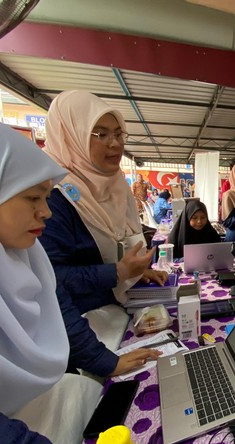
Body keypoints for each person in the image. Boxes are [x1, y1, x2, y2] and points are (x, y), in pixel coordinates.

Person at [0, 117, 178, 444]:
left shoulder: (22, 252)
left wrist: (104, 361)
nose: (45, 211)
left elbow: (56, 305)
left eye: (46, 197)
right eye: (33, 197)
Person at [40, 90, 165, 376]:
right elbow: (47, 280)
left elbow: (107, 247)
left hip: (113, 318)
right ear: (71, 135)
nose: (115, 143)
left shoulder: (114, 184)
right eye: (101, 134)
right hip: (79, 342)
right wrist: (117, 273)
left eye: (119, 134)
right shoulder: (51, 196)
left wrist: (135, 272)